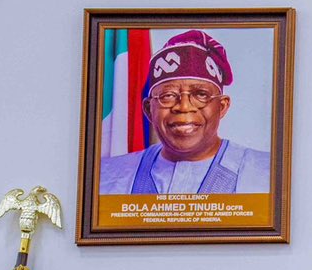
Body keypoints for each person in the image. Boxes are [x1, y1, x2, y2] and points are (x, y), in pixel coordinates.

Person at [99, 30, 271, 195]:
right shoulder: (107, 177)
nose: (184, 107)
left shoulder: (267, 173)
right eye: (168, 96)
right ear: (148, 109)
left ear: (222, 106)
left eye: (201, 95)